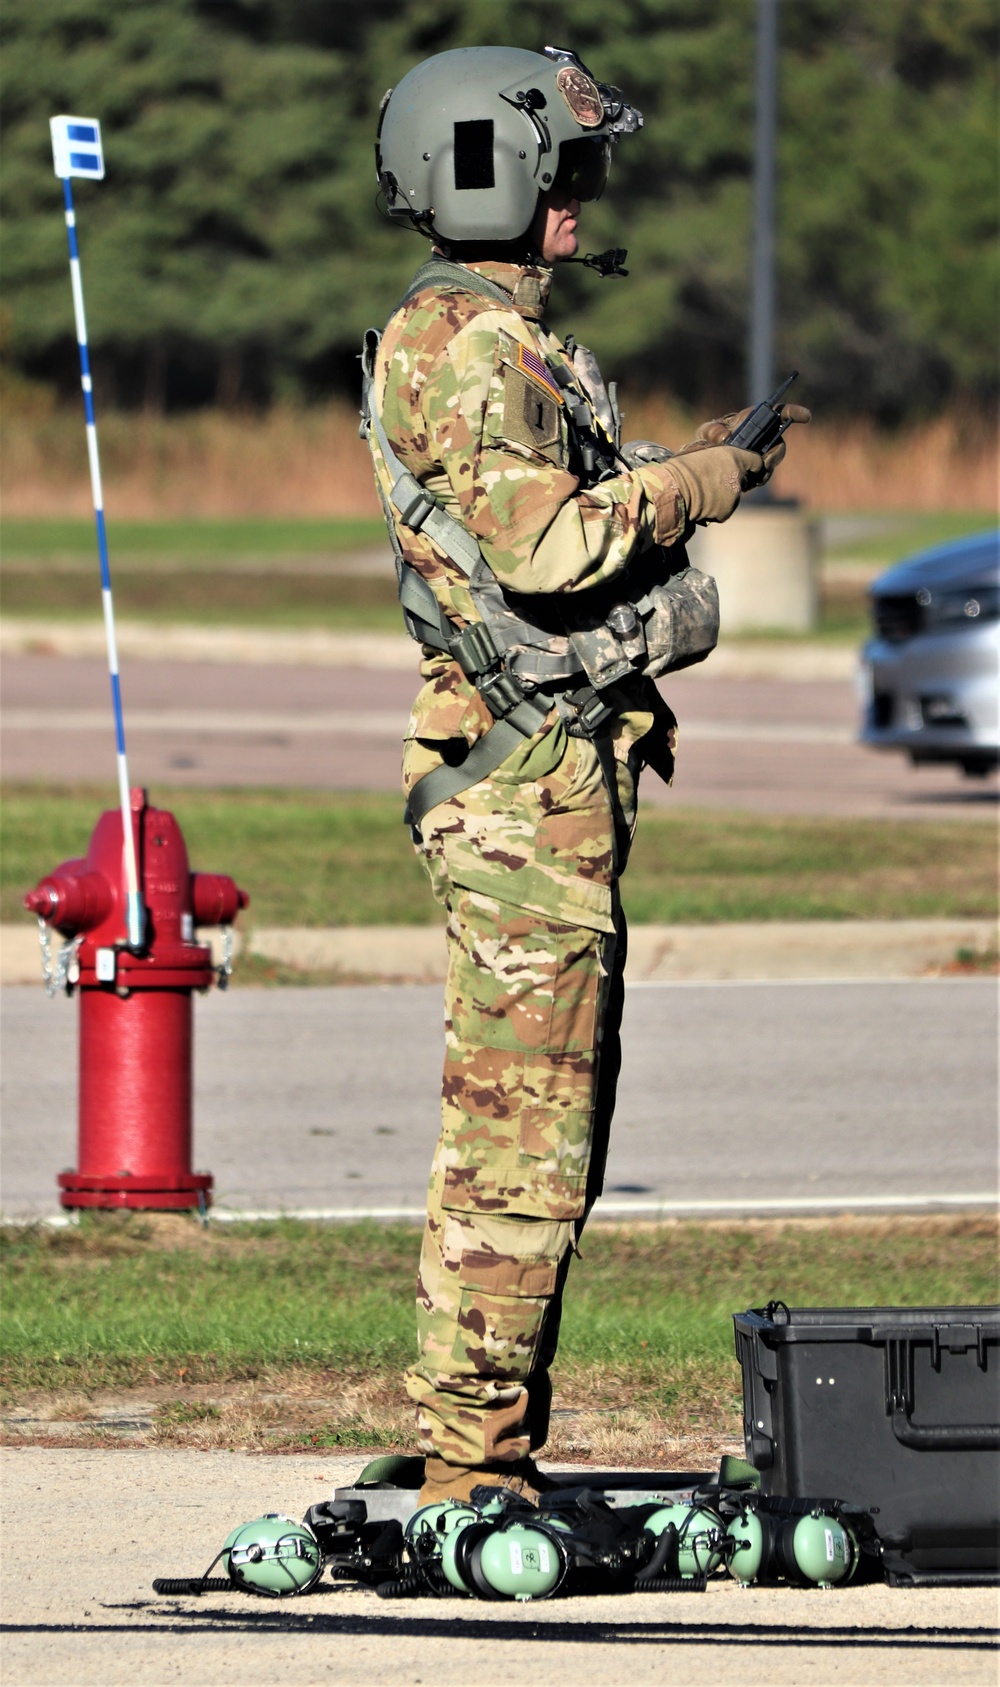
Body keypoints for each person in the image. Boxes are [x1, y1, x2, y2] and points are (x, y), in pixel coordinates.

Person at [362, 44, 808, 1507]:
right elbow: (547, 549)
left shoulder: (479, 337)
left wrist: (679, 469)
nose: (585, 195)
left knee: (527, 1122)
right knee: (525, 1142)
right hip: (521, 793)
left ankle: (467, 1438)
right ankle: (470, 1468)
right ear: (499, 176)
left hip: (541, 782)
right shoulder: (475, 347)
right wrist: (700, 483)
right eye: (570, 167)